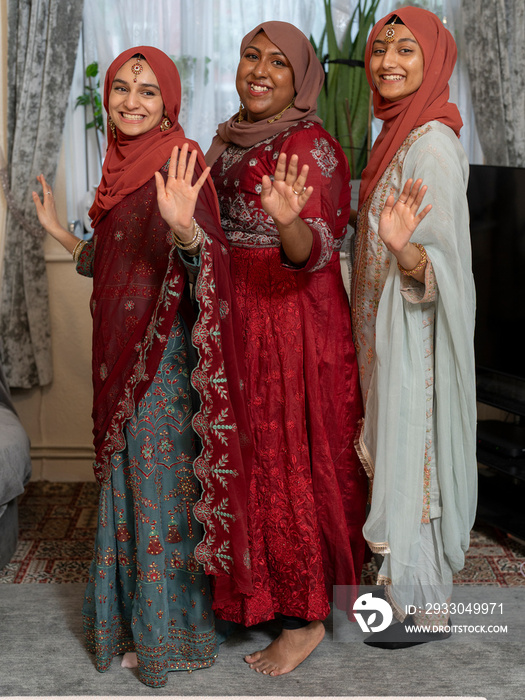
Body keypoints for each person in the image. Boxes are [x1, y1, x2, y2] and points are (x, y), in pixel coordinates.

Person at [32, 46, 253, 687]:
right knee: (126, 487)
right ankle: (130, 627)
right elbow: (113, 260)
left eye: (149, 91)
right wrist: (62, 234)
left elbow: (208, 265)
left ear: (169, 104)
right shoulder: (117, 170)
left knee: (159, 494)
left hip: (161, 361)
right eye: (122, 88)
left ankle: (171, 639)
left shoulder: (181, 162)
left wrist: (185, 231)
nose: (131, 101)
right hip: (117, 358)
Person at [205, 21, 368, 676]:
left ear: (301, 77)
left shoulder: (311, 145)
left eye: (278, 62)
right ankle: (261, 593)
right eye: (251, 56)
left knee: (289, 463)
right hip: (235, 316)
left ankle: (304, 618)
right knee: (247, 462)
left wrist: (285, 221)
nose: (261, 71)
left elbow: (313, 252)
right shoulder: (230, 136)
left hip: (288, 325)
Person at [350, 7, 477, 648]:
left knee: (416, 458)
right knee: (398, 455)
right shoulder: (397, 135)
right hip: (386, 334)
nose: (388, 61)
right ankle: (402, 590)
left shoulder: (432, 143)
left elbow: (446, 270)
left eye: (405, 49)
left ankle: (424, 606)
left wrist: (402, 250)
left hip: (418, 342)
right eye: (380, 48)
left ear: (434, 59)